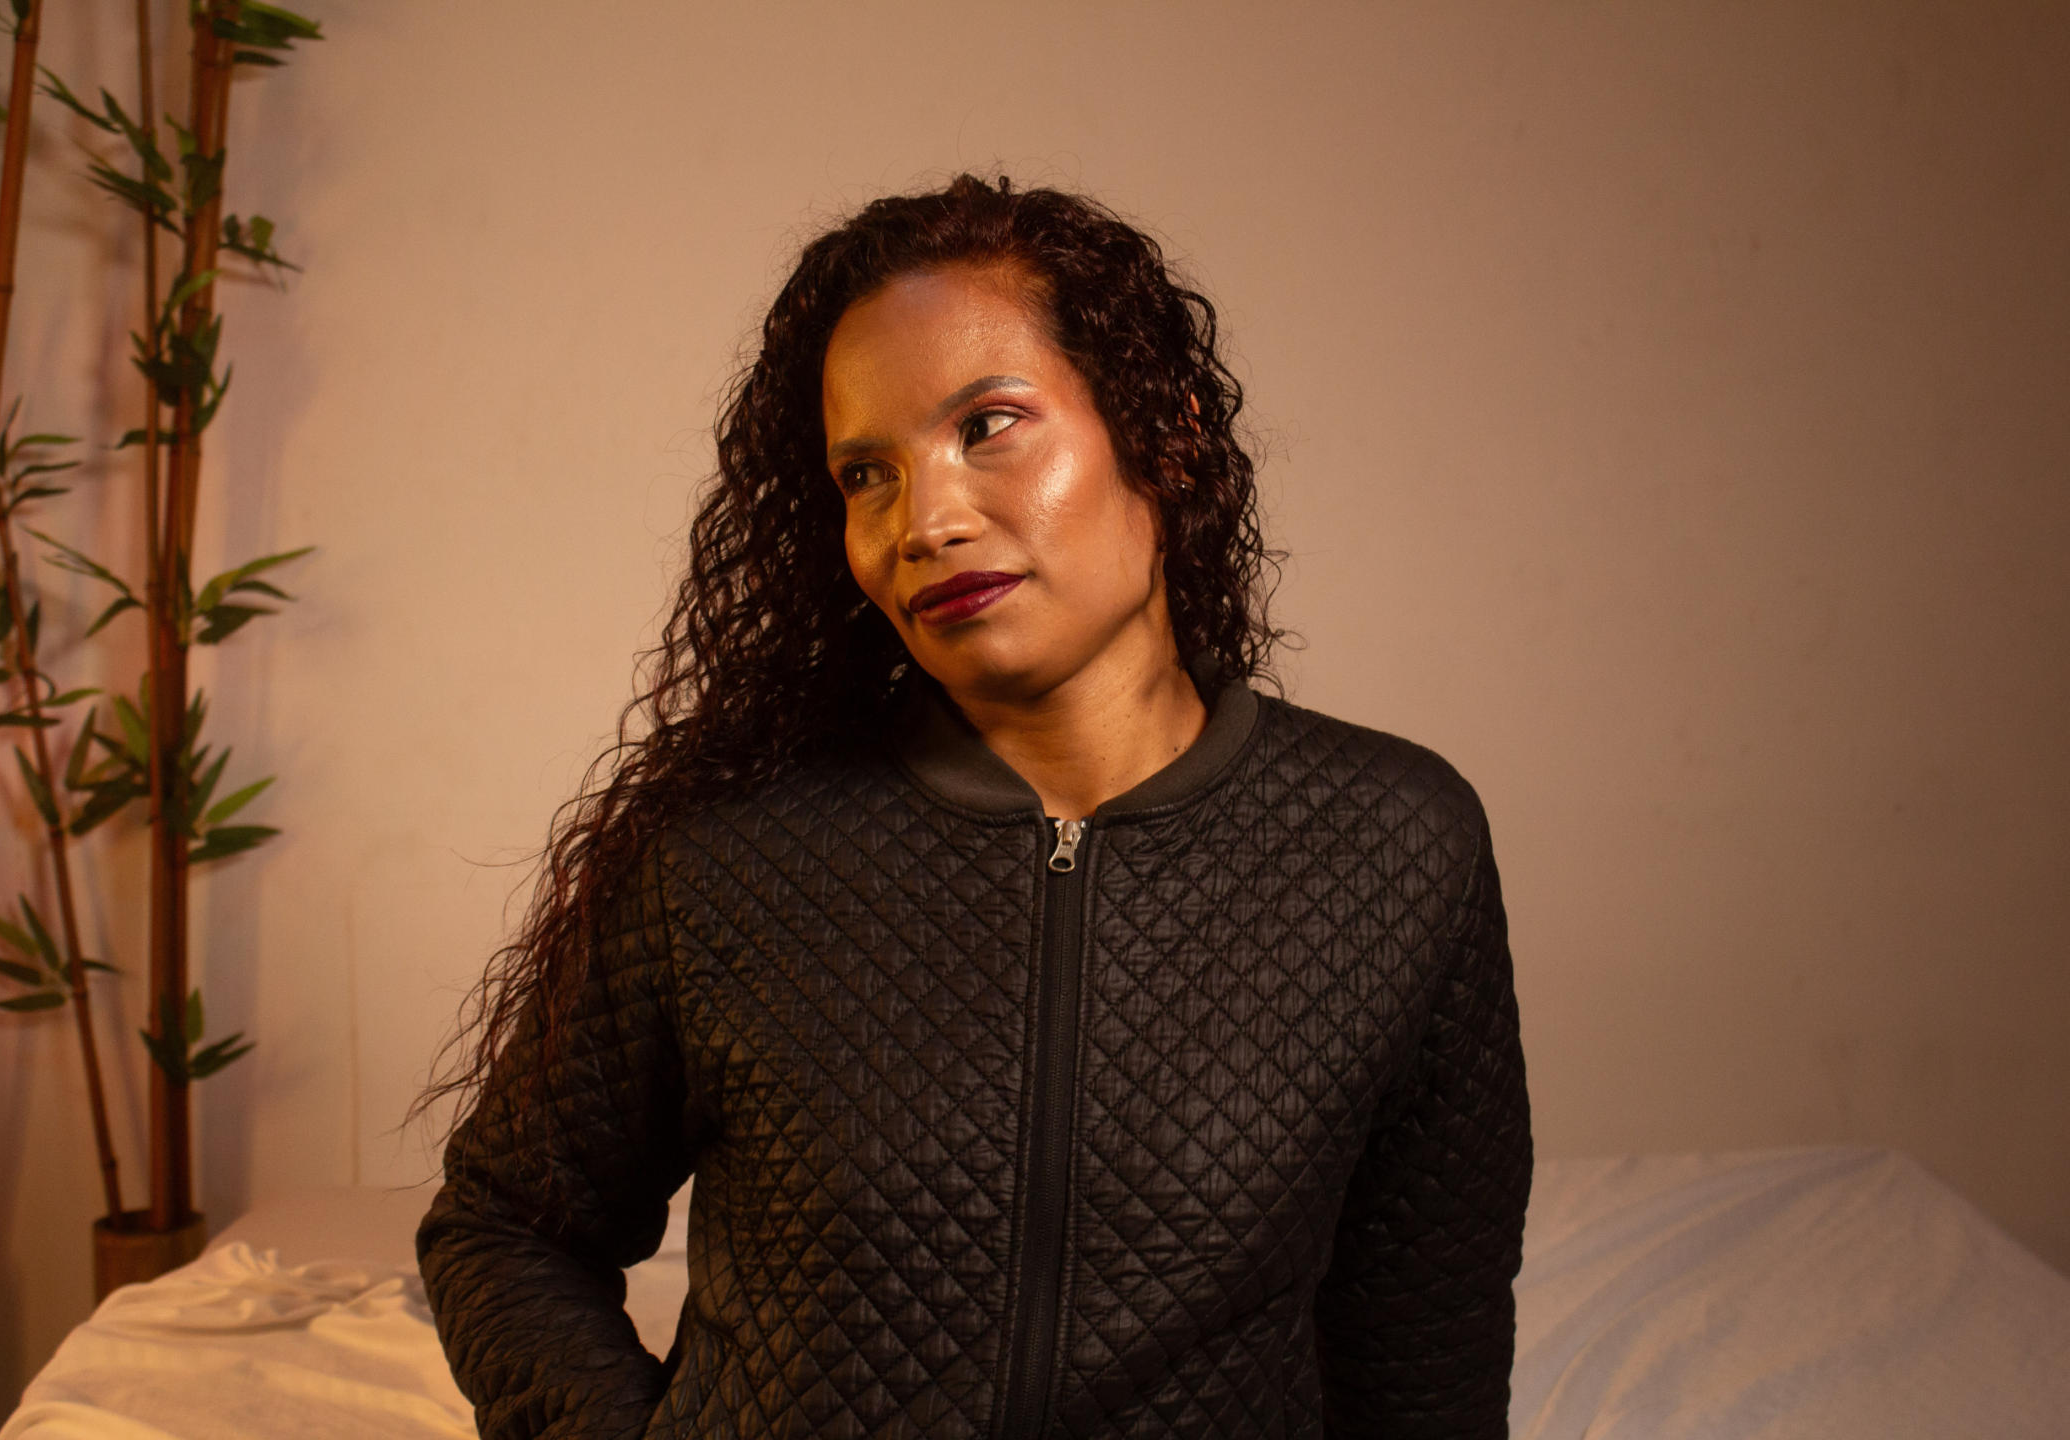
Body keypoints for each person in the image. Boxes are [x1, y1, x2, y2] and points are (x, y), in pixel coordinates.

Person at [416, 174, 1532, 1439]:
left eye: (989, 425)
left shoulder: (1392, 845)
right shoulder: (726, 850)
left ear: (1162, 432)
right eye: (866, 474)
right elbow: (505, 1226)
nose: (925, 521)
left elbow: (1423, 1341)